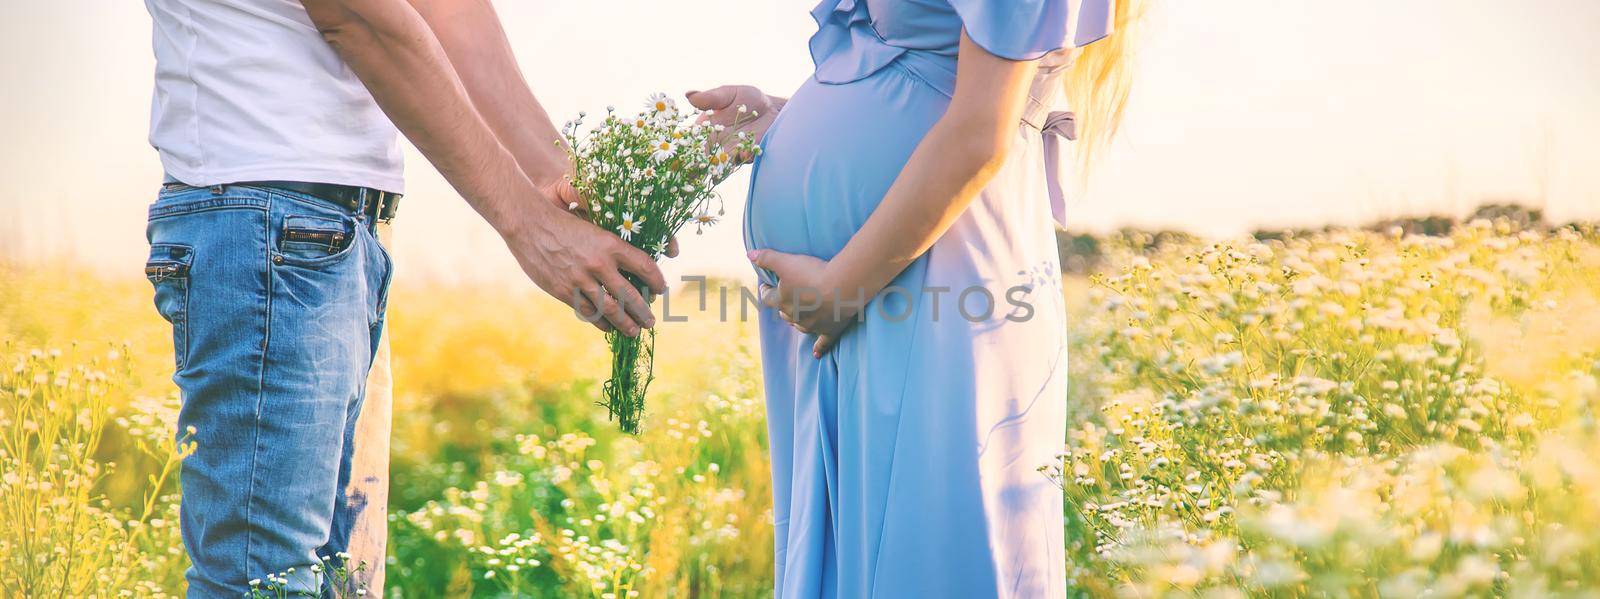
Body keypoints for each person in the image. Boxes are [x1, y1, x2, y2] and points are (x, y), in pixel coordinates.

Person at [141, 0, 665, 595]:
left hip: (338, 233)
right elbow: (358, 16)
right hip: (268, 219)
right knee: (267, 579)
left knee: (344, 581)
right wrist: (529, 223)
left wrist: (557, 178)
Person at [690, 0, 1138, 595]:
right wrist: (784, 118)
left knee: (927, 555)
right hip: (853, 298)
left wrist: (840, 288)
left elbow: (981, 129)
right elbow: (916, 77)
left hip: (931, 279)